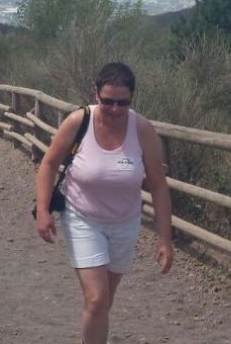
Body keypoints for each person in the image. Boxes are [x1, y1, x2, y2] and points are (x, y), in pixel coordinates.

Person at [34, 62, 173, 344]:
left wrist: (165, 238)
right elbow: (48, 164)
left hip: (125, 223)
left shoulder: (142, 129)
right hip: (82, 217)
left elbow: (158, 184)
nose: (115, 109)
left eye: (123, 103)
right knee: (97, 299)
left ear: (132, 98)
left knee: (103, 302)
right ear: (95, 94)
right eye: (108, 101)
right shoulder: (78, 122)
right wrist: (43, 209)